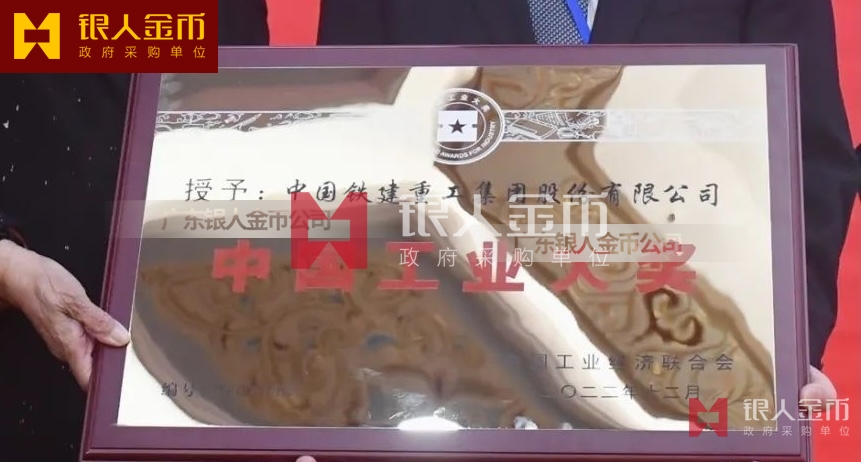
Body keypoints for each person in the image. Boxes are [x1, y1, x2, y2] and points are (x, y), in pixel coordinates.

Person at [0, 0, 852, 459]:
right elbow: (356, 147)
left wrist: (775, 350)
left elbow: (805, 159)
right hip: (450, 394)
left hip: (682, 375)